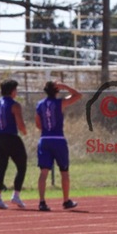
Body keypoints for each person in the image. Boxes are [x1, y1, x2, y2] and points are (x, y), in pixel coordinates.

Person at [35, 80, 82, 211]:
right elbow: (78, 95)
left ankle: (42, 202)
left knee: (43, 172)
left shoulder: (40, 104)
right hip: (58, 140)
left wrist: (47, 130)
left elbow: (37, 124)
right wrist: (65, 86)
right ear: (57, 90)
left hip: (44, 139)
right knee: (64, 171)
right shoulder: (60, 103)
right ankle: (66, 201)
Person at [0, 78, 28, 210]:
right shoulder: (15, 105)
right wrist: (24, 131)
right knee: (21, 166)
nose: (17, 92)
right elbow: (20, 125)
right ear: (12, 91)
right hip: (12, 138)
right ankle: (16, 195)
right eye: (16, 89)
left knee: (1, 168)